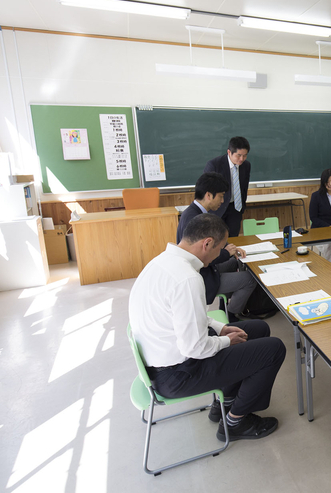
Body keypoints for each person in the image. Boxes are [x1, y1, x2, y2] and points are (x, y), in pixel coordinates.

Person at [129, 213, 286, 442]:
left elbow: (193, 316)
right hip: (177, 375)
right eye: (220, 248)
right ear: (207, 243)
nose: (218, 256)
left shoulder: (162, 262)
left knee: (258, 329)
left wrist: (221, 329)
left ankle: (225, 402)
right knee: (273, 349)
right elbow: (196, 348)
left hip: (162, 362)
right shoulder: (187, 279)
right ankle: (235, 422)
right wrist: (226, 340)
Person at [177, 172, 259, 322]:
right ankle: (233, 315)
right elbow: (202, 257)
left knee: (235, 261)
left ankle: (226, 305)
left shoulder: (195, 212)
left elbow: (212, 242)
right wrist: (226, 253)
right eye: (221, 196)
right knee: (250, 279)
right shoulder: (195, 218)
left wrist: (230, 248)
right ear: (209, 195)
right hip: (202, 276)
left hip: (205, 269)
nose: (223, 201)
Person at [205, 136, 251, 237]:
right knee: (217, 240)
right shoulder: (214, 165)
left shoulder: (246, 165)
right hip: (217, 209)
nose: (242, 159)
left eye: (245, 155)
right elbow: (207, 190)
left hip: (236, 208)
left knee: (234, 239)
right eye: (238, 155)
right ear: (229, 152)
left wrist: (242, 206)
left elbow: (244, 188)